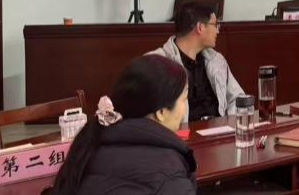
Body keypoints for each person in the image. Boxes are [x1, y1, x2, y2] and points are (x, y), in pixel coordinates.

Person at [49, 55, 195, 195]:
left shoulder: (91, 144)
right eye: (184, 98)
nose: (185, 107)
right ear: (161, 112)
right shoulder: (169, 172)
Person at [150, 3, 243, 122]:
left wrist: (227, 124)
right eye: (215, 25)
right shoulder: (156, 63)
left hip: (219, 130)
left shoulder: (216, 60)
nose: (218, 31)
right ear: (200, 28)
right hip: (178, 133)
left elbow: (238, 98)